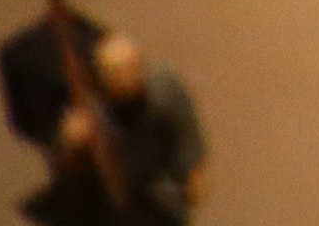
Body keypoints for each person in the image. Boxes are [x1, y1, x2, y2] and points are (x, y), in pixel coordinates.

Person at [49, 31, 208, 222]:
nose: (125, 79)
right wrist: (72, 143)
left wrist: (194, 171)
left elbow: (186, 135)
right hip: (113, 199)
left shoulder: (164, 87)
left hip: (159, 195)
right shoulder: (93, 108)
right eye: (114, 73)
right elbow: (68, 164)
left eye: (130, 68)